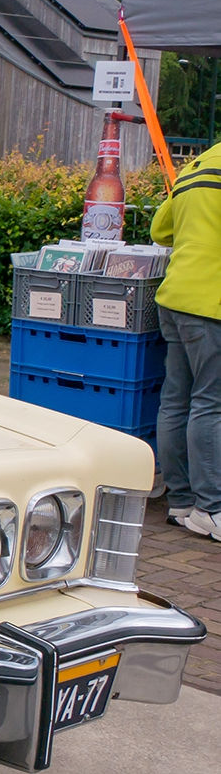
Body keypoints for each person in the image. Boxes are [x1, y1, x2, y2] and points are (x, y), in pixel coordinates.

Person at [151, 142, 221, 540]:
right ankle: (210, 509)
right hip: (212, 301)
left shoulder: (198, 165)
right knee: (211, 404)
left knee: (177, 399)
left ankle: (181, 502)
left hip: (175, 295)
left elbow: (160, 229)